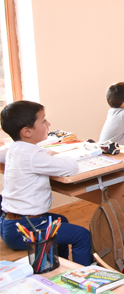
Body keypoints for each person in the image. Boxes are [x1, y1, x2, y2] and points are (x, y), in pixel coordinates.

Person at [0, 101, 92, 265]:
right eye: (43, 120)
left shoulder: (14, 148)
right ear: (27, 132)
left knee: (61, 219)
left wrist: (44, 153)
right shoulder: (34, 156)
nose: (48, 124)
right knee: (82, 235)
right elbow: (71, 166)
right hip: (26, 227)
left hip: (10, 224)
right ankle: (82, 276)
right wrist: (52, 155)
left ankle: (61, 265)